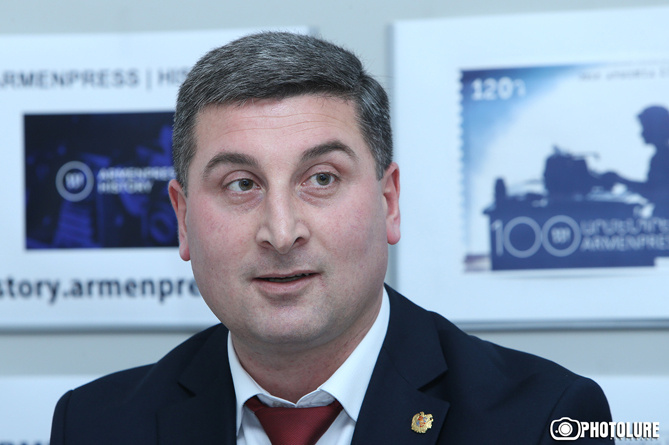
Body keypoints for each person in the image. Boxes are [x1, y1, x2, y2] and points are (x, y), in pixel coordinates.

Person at [50, 31, 612, 444]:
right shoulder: (94, 425)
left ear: (388, 202)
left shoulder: (544, 419)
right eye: (241, 184)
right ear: (182, 218)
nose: (282, 232)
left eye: (321, 179)